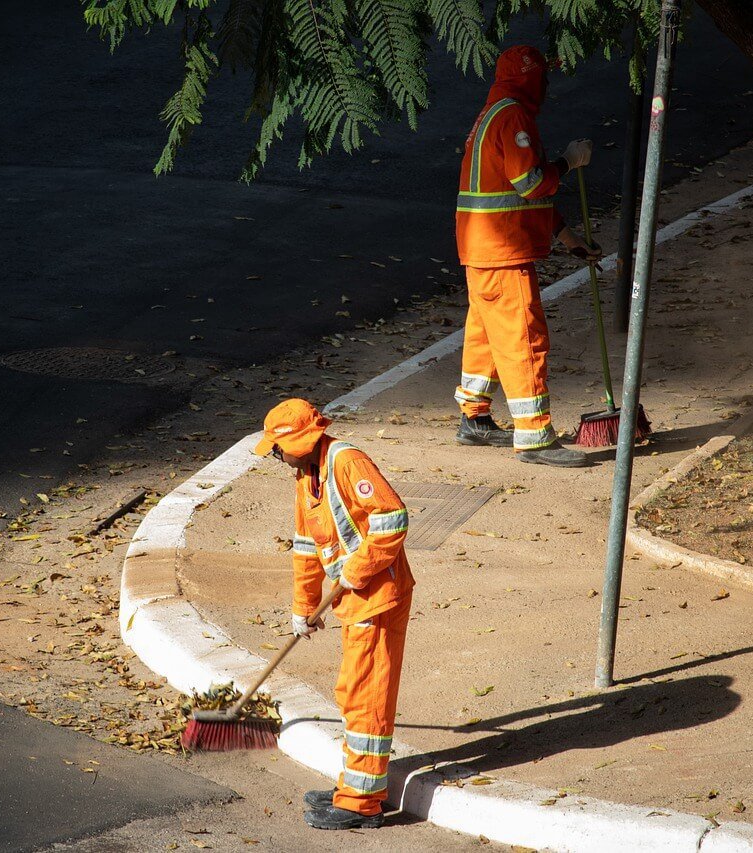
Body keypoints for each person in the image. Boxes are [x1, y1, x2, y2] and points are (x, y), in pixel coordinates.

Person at [252, 398, 415, 830]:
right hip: (352, 601)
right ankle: (355, 783)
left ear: (301, 443)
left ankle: (360, 802)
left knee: (366, 697)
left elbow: (393, 519)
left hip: (378, 597)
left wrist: (357, 570)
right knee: (352, 691)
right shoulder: (306, 477)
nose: (274, 455)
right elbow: (306, 548)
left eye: (276, 447)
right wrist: (303, 607)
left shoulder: (347, 462)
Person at [454, 44, 602, 468]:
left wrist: (569, 237)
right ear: (530, 78)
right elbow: (531, 184)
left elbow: (514, 196)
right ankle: (535, 436)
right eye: (544, 77)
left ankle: (474, 416)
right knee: (523, 338)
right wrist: (567, 163)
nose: (548, 86)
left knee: (486, 333)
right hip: (502, 251)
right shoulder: (514, 117)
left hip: (482, 249)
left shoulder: (493, 113)